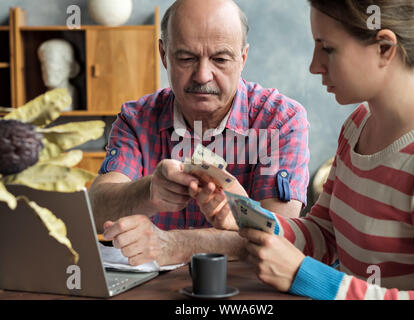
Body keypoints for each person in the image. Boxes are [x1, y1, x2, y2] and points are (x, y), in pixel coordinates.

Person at [192, 0, 414, 299]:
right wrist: (243, 214)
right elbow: (325, 234)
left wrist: (306, 277)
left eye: (327, 48)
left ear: (384, 48)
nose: (314, 66)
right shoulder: (358, 125)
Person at [88, 0, 310, 267]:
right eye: (186, 58)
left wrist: (174, 245)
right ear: (163, 55)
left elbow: (281, 239)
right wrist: (149, 191)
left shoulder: (280, 121)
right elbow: (96, 208)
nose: (203, 75)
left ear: (243, 58)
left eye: (220, 59)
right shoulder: (137, 118)